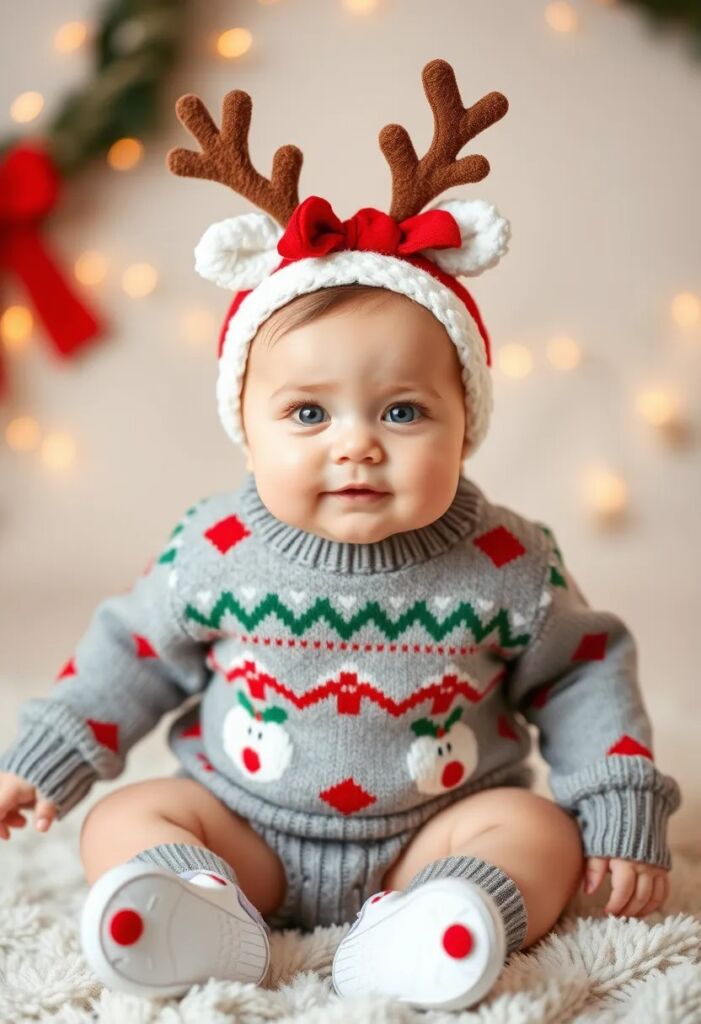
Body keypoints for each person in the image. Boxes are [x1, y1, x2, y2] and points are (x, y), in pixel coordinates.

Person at [0, 60, 680, 1011]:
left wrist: (613, 804)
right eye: (309, 415)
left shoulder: (507, 561)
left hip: (432, 832)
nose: (356, 444)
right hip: (240, 828)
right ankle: (196, 911)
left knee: (535, 833)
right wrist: (47, 758)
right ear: (249, 422)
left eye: (402, 413)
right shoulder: (215, 544)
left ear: (464, 419)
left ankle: (447, 922)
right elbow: (132, 650)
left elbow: (582, 671)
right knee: (127, 817)